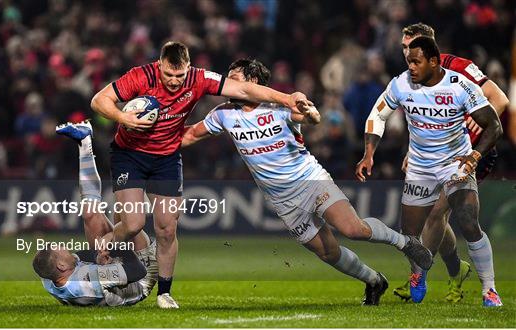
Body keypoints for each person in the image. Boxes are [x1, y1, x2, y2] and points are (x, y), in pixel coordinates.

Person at [181, 58, 433, 306]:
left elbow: (312, 118)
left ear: (253, 81)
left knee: (353, 229)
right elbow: (191, 134)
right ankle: (375, 280)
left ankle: (405, 243)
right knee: (328, 252)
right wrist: (154, 137)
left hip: (310, 180)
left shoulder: (276, 105)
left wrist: (310, 112)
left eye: (234, 78)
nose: (228, 84)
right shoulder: (224, 114)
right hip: (282, 199)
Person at [90, 41, 310, 308]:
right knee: (134, 223)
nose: (173, 81)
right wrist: (123, 118)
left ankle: (165, 293)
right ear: (159, 65)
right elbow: (99, 100)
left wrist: (288, 99)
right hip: (129, 155)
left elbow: (243, 88)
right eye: (168, 75)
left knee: (167, 229)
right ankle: (110, 240)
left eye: (179, 76)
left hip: (167, 159)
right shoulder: (141, 75)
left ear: (188, 68)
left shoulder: (199, 78)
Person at [362, 22, 509, 304]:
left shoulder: (461, 70)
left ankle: (430, 277)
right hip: (430, 157)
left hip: (467, 153)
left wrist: (468, 138)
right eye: (404, 49)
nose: (407, 54)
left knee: (440, 215)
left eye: (411, 47)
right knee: (434, 217)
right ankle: (455, 270)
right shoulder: (407, 79)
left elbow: (499, 101)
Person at [32, 120, 158, 306]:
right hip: (141, 278)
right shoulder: (87, 283)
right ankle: (140, 152)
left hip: (112, 271)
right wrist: (113, 240)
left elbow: (79, 257)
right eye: (62, 250)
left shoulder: (51, 278)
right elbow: (136, 272)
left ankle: (84, 142)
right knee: (126, 220)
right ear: (61, 266)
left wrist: (99, 255)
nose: (67, 248)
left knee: (90, 214)